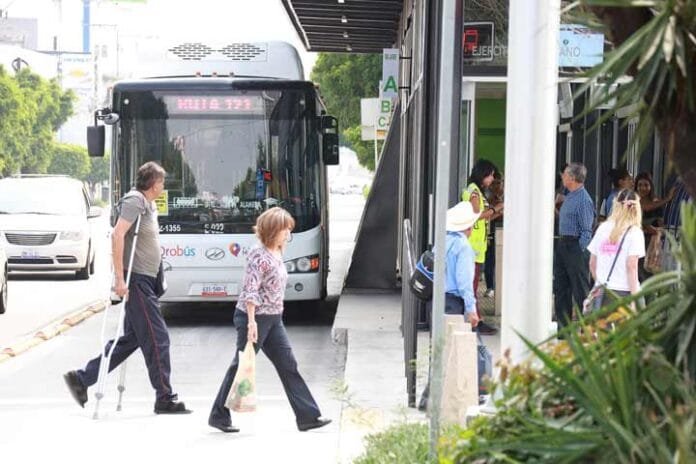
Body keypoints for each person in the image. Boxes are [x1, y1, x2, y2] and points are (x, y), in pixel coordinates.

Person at [64, 162, 191, 414]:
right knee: (158, 339)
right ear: (154, 184)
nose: (163, 187)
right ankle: (164, 397)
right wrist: (120, 280)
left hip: (146, 281)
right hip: (137, 281)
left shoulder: (148, 204)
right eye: (162, 183)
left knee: (131, 339)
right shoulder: (135, 201)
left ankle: (82, 379)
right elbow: (117, 234)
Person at [208, 207, 331, 433]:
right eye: (285, 230)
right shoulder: (258, 253)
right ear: (273, 230)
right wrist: (252, 322)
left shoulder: (276, 251)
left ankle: (307, 417)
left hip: (273, 318)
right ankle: (218, 415)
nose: (288, 234)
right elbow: (250, 289)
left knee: (288, 365)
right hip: (253, 317)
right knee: (241, 365)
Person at [418, 201, 482, 411]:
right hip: (453, 303)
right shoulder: (463, 247)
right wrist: (472, 309)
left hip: (435, 301)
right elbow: (464, 283)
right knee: (452, 351)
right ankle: (437, 399)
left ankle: (429, 398)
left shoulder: (441, 242)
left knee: (438, 349)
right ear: (468, 226)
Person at [461, 159, 503, 335]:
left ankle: (477, 319)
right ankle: (475, 321)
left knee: (474, 284)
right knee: (472, 285)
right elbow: (476, 216)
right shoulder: (475, 192)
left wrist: (497, 212)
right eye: (491, 175)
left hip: (476, 246)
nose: (492, 179)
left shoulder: (475, 190)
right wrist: (495, 209)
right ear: (483, 174)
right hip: (473, 247)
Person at [587, 189, 645, 308]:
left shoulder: (602, 228)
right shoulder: (635, 233)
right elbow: (632, 267)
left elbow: (592, 264)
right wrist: (634, 301)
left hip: (602, 292)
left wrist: (600, 282)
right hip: (625, 293)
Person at [554, 162, 595, 330]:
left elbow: (587, 230)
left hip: (575, 246)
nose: (562, 177)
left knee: (580, 290)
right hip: (563, 244)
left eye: (564, 174)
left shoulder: (583, 200)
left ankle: (587, 328)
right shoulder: (569, 195)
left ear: (572, 177)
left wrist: (580, 250)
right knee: (561, 288)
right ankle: (563, 330)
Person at [635, 172, 672, 280]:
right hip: (636, 243)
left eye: (646, 185)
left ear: (651, 187)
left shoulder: (656, 203)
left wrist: (656, 230)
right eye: (640, 185)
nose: (643, 188)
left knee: (649, 274)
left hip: (651, 244)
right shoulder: (633, 201)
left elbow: (661, 225)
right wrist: (667, 199)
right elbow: (644, 208)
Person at [483, 177, 504, 298]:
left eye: (500, 182)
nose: (498, 185)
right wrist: (498, 212)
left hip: (504, 231)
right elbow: (486, 216)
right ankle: (490, 286)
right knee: (490, 260)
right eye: (495, 183)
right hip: (491, 232)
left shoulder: (507, 196)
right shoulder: (488, 197)